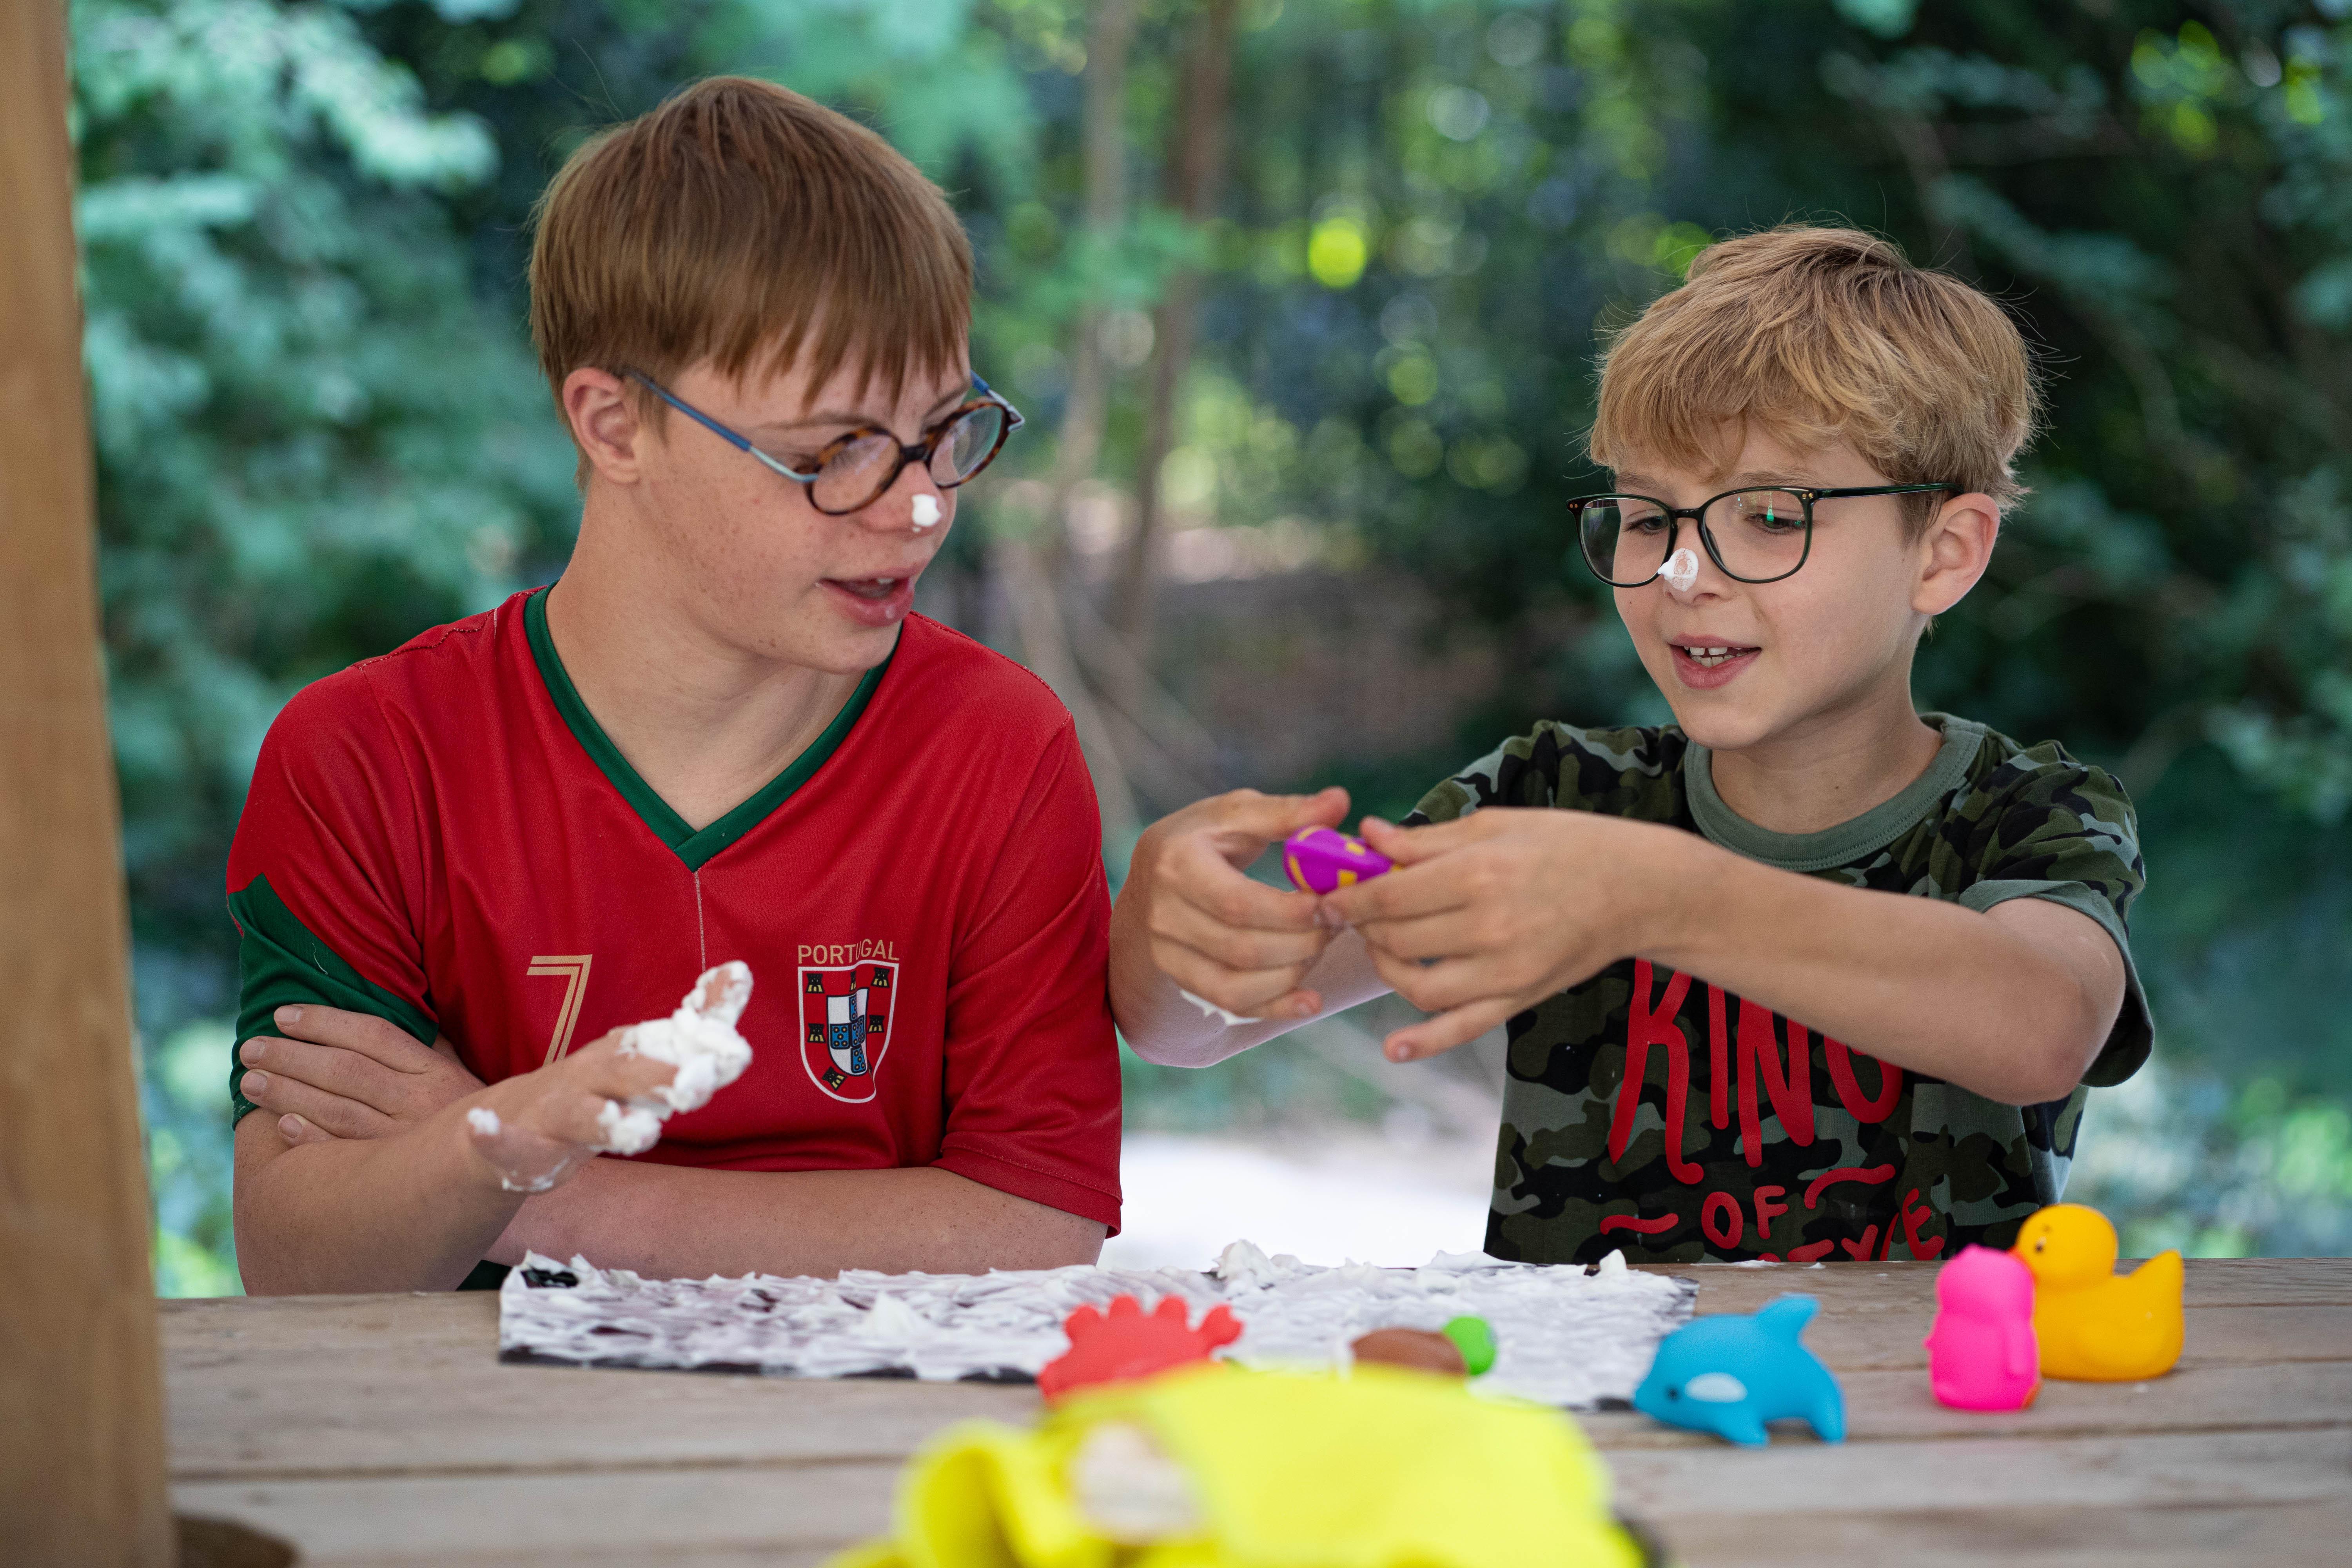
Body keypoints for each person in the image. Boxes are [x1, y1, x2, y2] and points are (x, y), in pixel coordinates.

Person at [228, 78, 1121, 1294]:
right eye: (834, 452)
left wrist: (515, 1168)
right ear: (613, 427)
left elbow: (1033, 1234)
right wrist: (499, 1147)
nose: (920, 508)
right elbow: (298, 1261)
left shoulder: (1001, 748)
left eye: (944, 432)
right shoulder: (368, 755)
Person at [1114, 227, 2149, 1265]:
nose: (1683, 574)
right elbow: (1193, 1028)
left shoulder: (2031, 813)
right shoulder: (1553, 798)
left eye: (1768, 516)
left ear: (1945, 554)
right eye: (1649, 518)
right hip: (1589, 1378)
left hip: (1930, 1374)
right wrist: (1175, 930)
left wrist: (1650, 897)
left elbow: (2043, 1028)